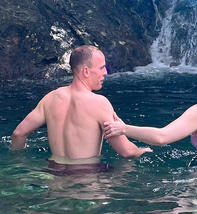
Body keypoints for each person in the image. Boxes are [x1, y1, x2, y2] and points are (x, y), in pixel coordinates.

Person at [11, 45, 151, 168]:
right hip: (86, 180)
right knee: (126, 170)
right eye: (102, 68)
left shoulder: (50, 98)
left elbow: (18, 134)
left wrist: (19, 163)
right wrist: (141, 151)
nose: (106, 72)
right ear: (86, 71)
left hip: (55, 175)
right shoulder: (99, 103)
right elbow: (126, 151)